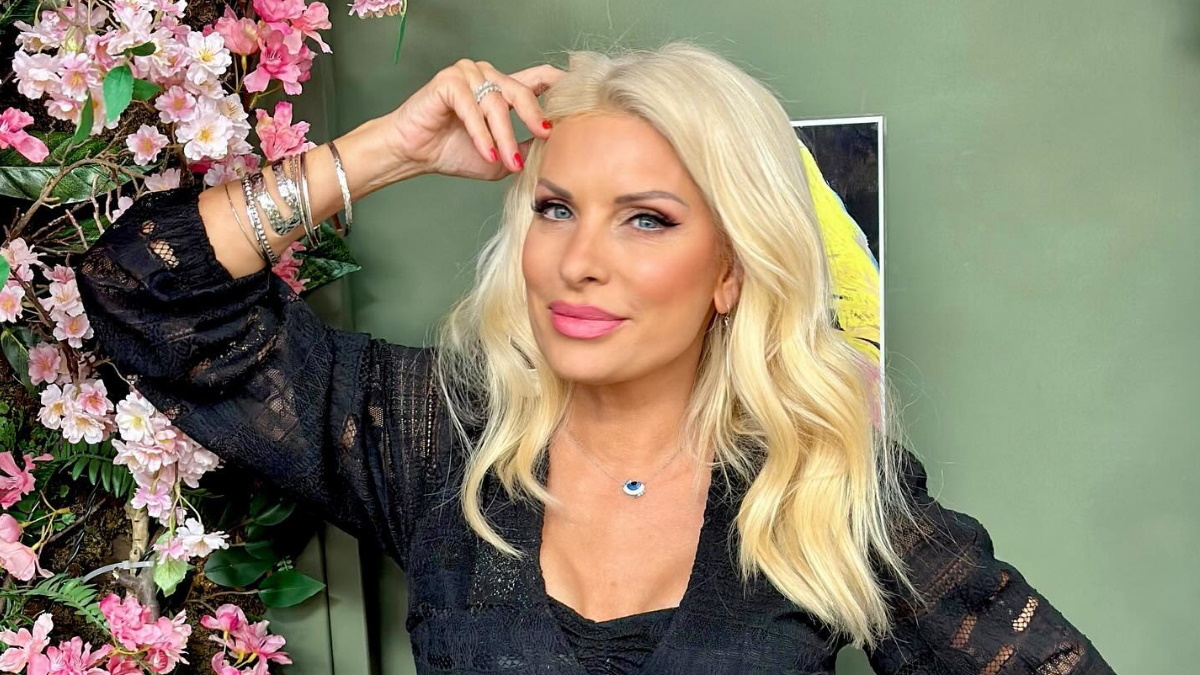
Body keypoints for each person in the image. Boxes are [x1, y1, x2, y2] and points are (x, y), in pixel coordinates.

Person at [74, 42, 1114, 674]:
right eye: (557, 209)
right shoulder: (436, 436)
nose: (579, 261)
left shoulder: (820, 486)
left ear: (731, 271)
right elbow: (142, 289)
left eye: (647, 219)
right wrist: (388, 149)